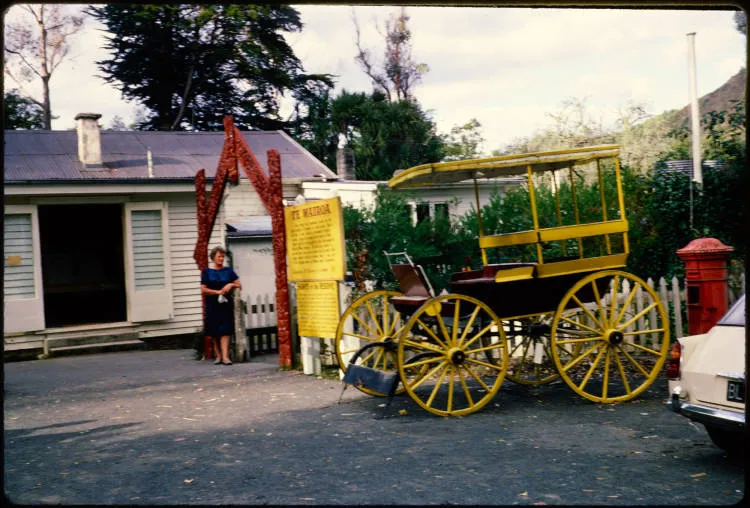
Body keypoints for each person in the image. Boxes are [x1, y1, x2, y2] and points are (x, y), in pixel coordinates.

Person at [200, 246, 241, 365]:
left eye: (223, 256)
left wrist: (230, 285)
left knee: (225, 330)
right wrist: (217, 292)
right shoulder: (207, 272)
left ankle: (225, 356)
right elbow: (203, 289)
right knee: (214, 331)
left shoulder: (228, 271)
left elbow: (238, 284)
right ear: (213, 257)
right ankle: (218, 356)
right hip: (212, 304)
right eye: (219, 256)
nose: (221, 259)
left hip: (225, 304)